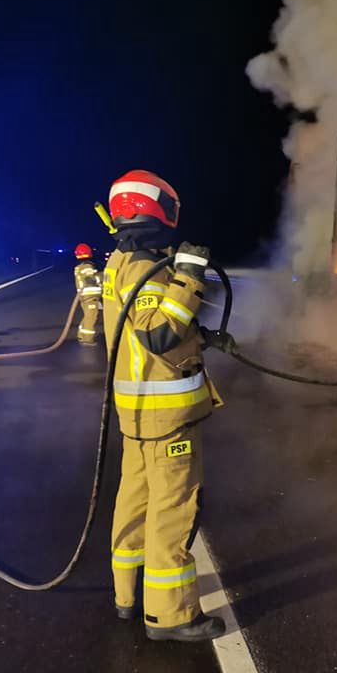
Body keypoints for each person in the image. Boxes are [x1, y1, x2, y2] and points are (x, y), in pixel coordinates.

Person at [102, 169, 234, 642]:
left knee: (134, 501)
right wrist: (190, 277)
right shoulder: (147, 269)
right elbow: (158, 333)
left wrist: (203, 337)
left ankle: (128, 595)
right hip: (167, 418)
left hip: (137, 413)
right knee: (172, 510)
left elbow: (150, 333)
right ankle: (171, 615)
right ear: (157, 209)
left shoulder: (122, 261)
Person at [72, 243, 103, 345]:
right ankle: (87, 339)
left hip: (85, 296)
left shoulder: (79, 266)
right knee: (91, 317)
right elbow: (91, 279)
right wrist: (102, 276)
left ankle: (81, 335)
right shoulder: (87, 266)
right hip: (90, 296)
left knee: (87, 316)